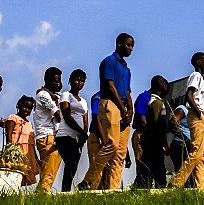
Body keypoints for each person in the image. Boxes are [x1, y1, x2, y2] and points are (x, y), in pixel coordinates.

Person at [79, 33, 135, 190]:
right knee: (112, 145)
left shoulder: (126, 68)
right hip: (111, 103)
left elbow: (128, 91)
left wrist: (130, 109)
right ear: (119, 43)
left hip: (124, 107)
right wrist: (123, 108)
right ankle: (88, 180)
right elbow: (110, 86)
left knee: (121, 153)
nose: (130, 49)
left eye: (132, 46)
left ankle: (113, 188)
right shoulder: (109, 61)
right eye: (128, 45)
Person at [170, 52, 204, 189]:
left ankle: (201, 188)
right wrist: (199, 112)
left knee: (203, 155)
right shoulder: (196, 76)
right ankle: (176, 181)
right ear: (199, 62)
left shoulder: (201, 80)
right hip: (198, 116)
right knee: (197, 152)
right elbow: (189, 95)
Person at [55, 69, 89, 192]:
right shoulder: (66, 95)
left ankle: (67, 190)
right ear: (70, 80)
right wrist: (82, 131)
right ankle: (64, 190)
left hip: (77, 138)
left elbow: (85, 119)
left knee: (73, 166)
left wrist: (84, 134)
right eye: (77, 79)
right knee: (70, 162)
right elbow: (67, 116)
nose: (79, 83)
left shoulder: (84, 101)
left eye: (82, 81)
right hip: (64, 136)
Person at [135, 75, 170, 188]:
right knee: (155, 164)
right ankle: (158, 186)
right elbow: (156, 124)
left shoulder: (155, 101)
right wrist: (162, 142)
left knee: (148, 164)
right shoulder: (156, 103)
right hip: (152, 138)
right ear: (163, 86)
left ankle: (141, 185)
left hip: (151, 138)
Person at [33, 67, 63, 193]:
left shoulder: (56, 96)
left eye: (59, 82)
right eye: (55, 81)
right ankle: (42, 194)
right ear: (47, 80)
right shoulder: (42, 95)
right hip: (46, 136)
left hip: (55, 136)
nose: (58, 84)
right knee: (48, 172)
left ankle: (39, 196)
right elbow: (59, 115)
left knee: (50, 171)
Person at [5, 95, 39, 186]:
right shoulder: (13, 118)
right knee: (15, 173)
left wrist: (35, 158)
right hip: (17, 152)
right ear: (19, 105)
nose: (27, 110)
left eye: (30, 108)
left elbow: (31, 143)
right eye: (25, 106)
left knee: (25, 175)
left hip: (28, 153)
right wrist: (10, 150)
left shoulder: (29, 123)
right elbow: (8, 134)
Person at [131, 85, 152, 180]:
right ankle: (140, 184)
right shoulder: (143, 97)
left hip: (148, 134)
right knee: (141, 162)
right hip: (141, 133)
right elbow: (143, 121)